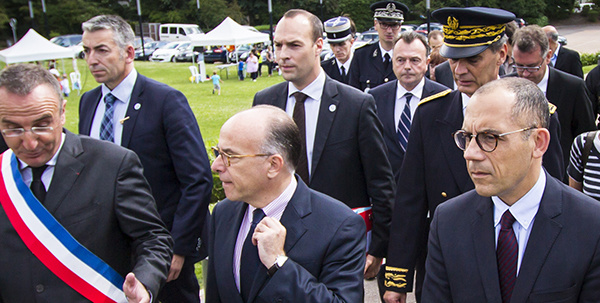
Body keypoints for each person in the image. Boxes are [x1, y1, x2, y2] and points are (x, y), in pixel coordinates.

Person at [384, 7, 565, 303]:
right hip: (448, 267)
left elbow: (553, 199)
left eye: (473, 59)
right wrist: (397, 277)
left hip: (517, 260)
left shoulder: (539, 116)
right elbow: (410, 199)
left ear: (502, 53)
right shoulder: (430, 114)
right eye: (454, 59)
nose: (459, 70)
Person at [0, 63, 172, 302]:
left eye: (42, 125)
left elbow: (152, 238)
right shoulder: (3, 173)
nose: (29, 142)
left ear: (62, 112)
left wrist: (144, 283)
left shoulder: (113, 164)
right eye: (13, 129)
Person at [423, 77, 600, 302]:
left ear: (538, 142)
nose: (470, 153)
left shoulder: (591, 226)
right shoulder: (447, 222)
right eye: (467, 137)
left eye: (490, 138)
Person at [252, 9, 395, 286]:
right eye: (278, 45)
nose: (283, 54)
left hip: (334, 247)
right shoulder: (265, 101)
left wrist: (378, 247)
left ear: (319, 45)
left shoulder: (356, 105)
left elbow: (381, 183)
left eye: (294, 45)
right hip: (273, 242)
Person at [78, 15, 213, 303]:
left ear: (128, 52)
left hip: (161, 246)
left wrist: (178, 248)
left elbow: (196, 179)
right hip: (107, 246)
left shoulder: (165, 101)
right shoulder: (88, 102)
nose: (91, 60)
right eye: (86, 51)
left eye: (101, 50)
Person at [206, 105, 366, 302]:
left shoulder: (340, 225)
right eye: (217, 153)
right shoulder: (223, 213)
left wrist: (279, 264)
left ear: (273, 165)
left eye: (230, 156)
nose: (216, 166)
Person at [368, 31, 449, 301]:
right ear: (392, 62)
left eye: (415, 60)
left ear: (427, 61)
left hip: (433, 213)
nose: (407, 67)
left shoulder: (446, 100)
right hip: (389, 216)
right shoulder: (373, 100)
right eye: (400, 60)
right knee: (391, 294)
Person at [512, 25, 595, 173]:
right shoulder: (505, 87)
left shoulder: (573, 88)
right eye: (519, 66)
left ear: (548, 56)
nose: (524, 74)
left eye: (532, 67)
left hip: (561, 176)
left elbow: (585, 135)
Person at [349, 0, 409, 91]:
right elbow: (353, 94)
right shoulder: (361, 56)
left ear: (400, 26)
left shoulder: (409, 56)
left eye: (394, 25)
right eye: (384, 24)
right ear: (375, 24)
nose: (389, 30)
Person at [321, 16, 356, 84]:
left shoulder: (363, 66)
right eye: (333, 45)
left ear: (351, 42)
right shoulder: (324, 69)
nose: (337, 50)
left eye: (341, 44)